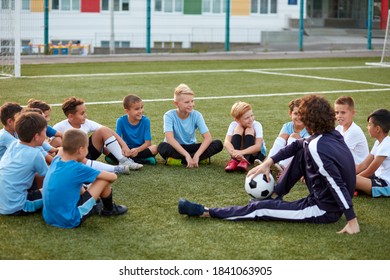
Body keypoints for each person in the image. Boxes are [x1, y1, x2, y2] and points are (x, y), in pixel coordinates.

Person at [178, 94, 360, 235]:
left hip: (323, 210)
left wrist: (351, 219)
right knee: (300, 151)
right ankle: (275, 195)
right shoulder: (330, 134)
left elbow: (337, 183)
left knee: (260, 208)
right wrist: (268, 162)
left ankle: (206, 211)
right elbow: (297, 145)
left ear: (310, 120)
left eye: (303, 117)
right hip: (324, 198)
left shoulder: (317, 146)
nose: (301, 120)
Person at [42, 129, 128, 228]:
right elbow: (112, 177)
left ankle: (96, 205)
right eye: (87, 147)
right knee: (103, 180)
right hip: (69, 219)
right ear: (80, 149)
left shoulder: (57, 160)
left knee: (78, 184)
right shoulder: (78, 168)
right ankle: (109, 209)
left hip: (49, 216)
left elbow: (61, 151)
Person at [51, 96, 139, 173]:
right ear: (70, 116)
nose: (85, 115)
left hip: (86, 154)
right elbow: (50, 147)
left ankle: (123, 160)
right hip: (73, 159)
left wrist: (124, 146)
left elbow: (108, 131)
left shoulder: (86, 123)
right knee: (57, 140)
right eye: (82, 113)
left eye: (85, 112)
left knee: (103, 130)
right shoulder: (59, 127)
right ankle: (115, 168)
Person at [157, 83, 223, 168]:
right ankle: (195, 159)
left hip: (191, 146)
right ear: (176, 104)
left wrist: (197, 155)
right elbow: (170, 139)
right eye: (187, 102)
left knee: (218, 144)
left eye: (192, 101)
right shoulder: (169, 115)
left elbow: (208, 138)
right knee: (162, 147)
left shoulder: (197, 115)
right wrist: (187, 156)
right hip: (176, 147)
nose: (191, 104)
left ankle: (181, 160)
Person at [0, 112, 48, 215]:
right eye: (45, 131)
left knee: (36, 174)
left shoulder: (14, 144)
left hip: (3, 202)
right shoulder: (35, 153)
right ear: (36, 136)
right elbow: (51, 176)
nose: (46, 135)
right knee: (59, 189)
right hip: (17, 206)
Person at [106, 94, 158, 165]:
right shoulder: (120, 121)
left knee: (155, 148)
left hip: (140, 149)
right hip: (125, 149)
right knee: (106, 148)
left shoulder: (146, 121)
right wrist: (125, 149)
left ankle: (122, 160)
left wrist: (137, 150)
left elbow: (148, 143)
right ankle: (142, 160)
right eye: (137, 109)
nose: (140, 111)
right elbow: (117, 140)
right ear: (127, 111)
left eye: (141, 107)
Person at [267, 98, 310, 172]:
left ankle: (282, 167)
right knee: (284, 136)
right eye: (296, 114)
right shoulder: (287, 126)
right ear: (290, 114)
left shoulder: (309, 129)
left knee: (294, 136)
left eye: (302, 114)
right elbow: (279, 146)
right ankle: (268, 162)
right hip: (287, 156)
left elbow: (307, 152)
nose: (299, 117)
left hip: (302, 160)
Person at [224, 101, 267, 172]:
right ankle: (234, 161)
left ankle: (244, 161)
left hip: (255, 156)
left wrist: (241, 153)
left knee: (249, 129)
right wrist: (234, 153)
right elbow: (226, 142)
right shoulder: (233, 124)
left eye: (252, 115)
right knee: (238, 128)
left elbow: (258, 147)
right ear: (237, 120)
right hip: (238, 156)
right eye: (247, 118)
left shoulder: (257, 125)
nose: (251, 119)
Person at [355, 109, 390, 197]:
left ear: (377, 129)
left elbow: (369, 171)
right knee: (348, 170)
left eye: (370, 124)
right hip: (376, 177)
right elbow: (363, 165)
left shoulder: (387, 144)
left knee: (351, 179)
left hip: (385, 184)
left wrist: (352, 180)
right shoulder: (378, 142)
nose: (367, 127)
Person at [334, 96, 369, 164]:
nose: (339, 116)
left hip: (359, 170)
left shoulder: (354, 131)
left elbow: (338, 153)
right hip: (349, 166)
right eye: (337, 112)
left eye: (343, 112)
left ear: (353, 113)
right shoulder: (338, 128)